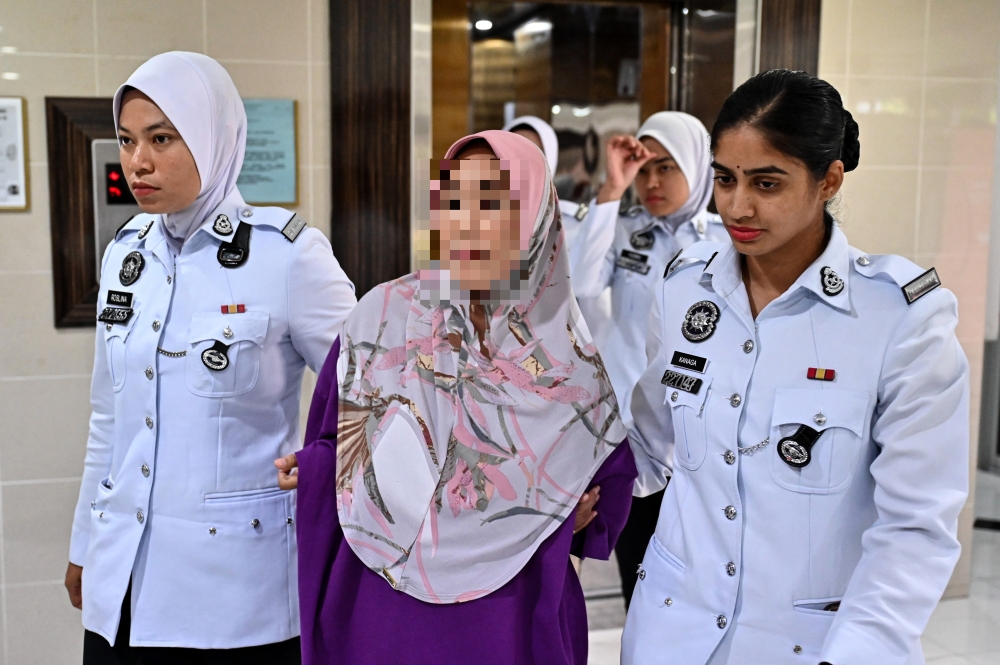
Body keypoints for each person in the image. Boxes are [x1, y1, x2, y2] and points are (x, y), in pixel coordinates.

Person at [623, 70, 969, 665]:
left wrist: (858, 652)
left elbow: (914, 527)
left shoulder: (899, 319)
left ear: (829, 179)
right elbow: (648, 443)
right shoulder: (685, 288)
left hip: (811, 646)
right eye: (725, 179)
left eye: (767, 182)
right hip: (669, 632)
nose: (738, 206)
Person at [275, 130, 637, 665]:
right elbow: (334, 433)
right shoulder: (381, 319)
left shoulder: (571, 365)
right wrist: (319, 468)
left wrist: (568, 512)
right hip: (382, 596)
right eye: (452, 201)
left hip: (506, 608)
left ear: (535, 218)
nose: (464, 222)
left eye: (491, 203)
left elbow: (605, 490)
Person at [65, 52, 357, 664]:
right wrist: (86, 544)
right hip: (123, 582)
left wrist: (326, 461)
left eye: (161, 139)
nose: (137, 162)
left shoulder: (286, 257)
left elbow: (370, 395)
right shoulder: (126, 255)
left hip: (236, 598)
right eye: (126, 140)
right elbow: (107, 420)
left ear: (212, 138)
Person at [569, 111, 729, 607]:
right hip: (638, 433)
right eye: (645, 169)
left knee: (707, 587)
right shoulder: (625, 228)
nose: (653, 182)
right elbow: (578, 287)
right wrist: (612, 191)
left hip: (710, 436)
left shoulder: (728, 239)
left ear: (698, 167)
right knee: (640, 580)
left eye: (667, 168)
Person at [503, 115, 612, 346]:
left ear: (549, 159)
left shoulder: (575, 226)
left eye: (532, 152)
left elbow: (591, 302)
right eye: (510, 150)